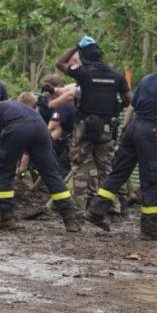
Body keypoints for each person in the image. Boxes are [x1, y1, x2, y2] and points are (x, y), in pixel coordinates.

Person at [85, 49, 157, 238]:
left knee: (118, 173)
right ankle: (149, 229)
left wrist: (126, 129)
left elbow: (132, 106)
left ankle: (95, 210)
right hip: (150, 131)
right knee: (151, 179)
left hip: (132, 128)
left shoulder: (146, 79)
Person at [0, 101, 79, 231]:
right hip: (40, 126)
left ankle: (6, 219)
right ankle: (70, 219)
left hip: (17, 127)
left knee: (4, 174)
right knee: (51, 174)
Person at [56, 36, 132, 218]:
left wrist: (75, 46)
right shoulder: (117, 76)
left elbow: (60, 63)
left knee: (80, 166)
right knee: (107, 168)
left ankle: (78, 211)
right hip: (107, 128)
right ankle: (111, 209)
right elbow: (130, 100)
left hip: (84, 127)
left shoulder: (83, 73)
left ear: (83, 57)